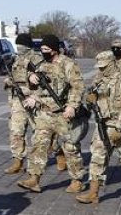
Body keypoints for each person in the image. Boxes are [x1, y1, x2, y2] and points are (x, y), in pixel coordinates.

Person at [16, 34, 87, 194]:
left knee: (70, 147)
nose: (44, 52)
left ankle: (77, 180)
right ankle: (34, 178)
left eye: (46, 49)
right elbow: (39, 89)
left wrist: (72, 106)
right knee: (38, 145)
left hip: (63, 114)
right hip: (44, 114)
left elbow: (78, 86)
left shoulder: (68, 64)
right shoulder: (42, 64)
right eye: (41, 49)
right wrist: (31, 79)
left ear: (54, 50)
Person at [77, 51, 121, 204]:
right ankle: (93, 192)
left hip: (120, 126)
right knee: (97, 156)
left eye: (104, 67)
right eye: (99, 67)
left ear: (112, 63)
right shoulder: (99, 80)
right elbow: (91, 98)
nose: (101, 70)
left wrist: (120, 127)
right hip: (103, 124)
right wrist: (90, 100)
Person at [3, 32, 41, 174]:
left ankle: (57, 152)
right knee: (16, 130)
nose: (19, 48)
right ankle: (17, 160)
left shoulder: (37, 59)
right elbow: (10, 76)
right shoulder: (16, 59)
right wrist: (8, 81)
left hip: (33, 99)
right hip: (17, 100)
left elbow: (43, 79)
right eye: (17, 46)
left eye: (21, 46)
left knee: (40, 131)